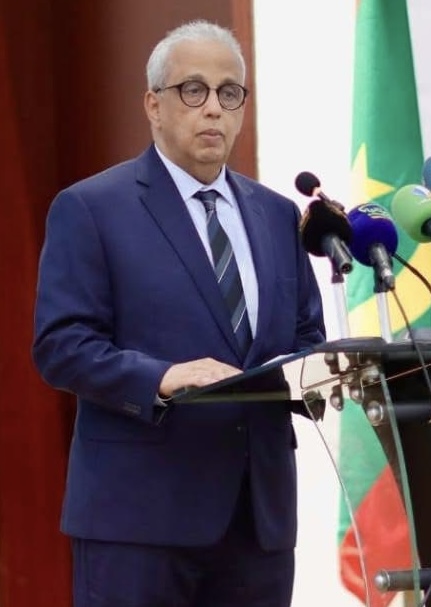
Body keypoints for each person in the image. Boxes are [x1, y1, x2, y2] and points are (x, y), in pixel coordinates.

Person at [32, 19, 325, 607]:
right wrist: (162, 377)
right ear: (154, 105)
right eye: (193, 90)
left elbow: (305, 333)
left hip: (258, 521)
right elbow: (61, 346)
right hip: (139, 522)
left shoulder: (275, 215)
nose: (213, 108)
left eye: (229, 92)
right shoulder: (92, 208)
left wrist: (325, 373)